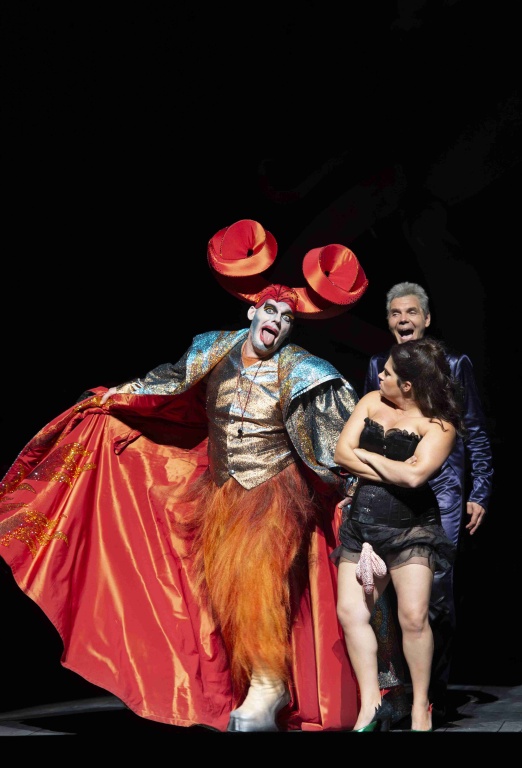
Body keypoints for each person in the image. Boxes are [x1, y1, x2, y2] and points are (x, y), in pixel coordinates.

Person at [0, 219, 405, 732]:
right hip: (219, 490)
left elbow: (337, 444)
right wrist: (115, 397)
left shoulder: (306, 373)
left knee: (258, 581)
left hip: (274, 492)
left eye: (287, 318)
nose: (278, 322)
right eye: (271, 311)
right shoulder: (214, 349)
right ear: (253, 311)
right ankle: (243, 683)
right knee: (219, 591)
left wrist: (360, 503)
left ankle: (269, 686)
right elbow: (165, 384)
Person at [362, 282, 493, 720]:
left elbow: (474, 430)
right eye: (396, 313)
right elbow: (370, 428)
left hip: (444, 489)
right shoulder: (378, 366)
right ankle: (398, 692)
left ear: (427, 319)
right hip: (394, 487)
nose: (404, 319)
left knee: (435, 591)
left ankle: (432, 695)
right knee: (388, 592)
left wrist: (480, 491)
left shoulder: (454, 364)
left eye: (412, 312)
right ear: (389, 321)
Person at [333, 337, 465, 731]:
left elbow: (415, 477)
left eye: (388, 373)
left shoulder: (439, 425)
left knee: (413, 618)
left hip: (410, 530)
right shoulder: (371, 401)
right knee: (351, 613)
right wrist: (388, 465)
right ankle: (371, 702)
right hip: (362, 525)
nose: (380, 376)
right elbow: (341, 453)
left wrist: (364, 457)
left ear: (407, 385)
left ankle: (420, 706)